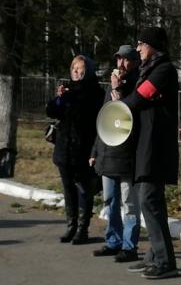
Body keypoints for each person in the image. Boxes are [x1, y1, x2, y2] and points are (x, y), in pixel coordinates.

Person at [121, 27, 179, 280]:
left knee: (149, 200)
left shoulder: (164, 70)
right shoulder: (150, 69)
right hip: (146, 144)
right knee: (151, 202)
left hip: (156, 147)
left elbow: (139, 98)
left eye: (141, 43)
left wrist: (119, 108)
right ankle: (154, 257)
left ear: (153, 45)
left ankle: (166, 261)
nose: (138, 48)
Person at [90, 45, 141, 263]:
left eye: (126, 60)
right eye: (119, 59)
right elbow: (105, 121)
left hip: (127, 154)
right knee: (110, 200)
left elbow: (127, 116)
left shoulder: (137, 85)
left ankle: (130, 246)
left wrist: (119, 91)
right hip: (107, 153)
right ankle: (113, 241)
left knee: (129, 203)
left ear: (135, 62)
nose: (121, 64)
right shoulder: (110, 89)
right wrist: (95, 150)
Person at [46, 55, 104, 244]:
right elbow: (52, 112)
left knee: (83, 188)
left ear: (88, 71)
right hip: (64, 146)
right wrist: (59, 99)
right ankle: (70, 226)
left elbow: (89, 114)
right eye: (74, 69)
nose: (77, 73)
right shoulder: (68, 90)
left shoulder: (95, 91)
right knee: (68, 188)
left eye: (80, 69)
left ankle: (82, 228)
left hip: (84, 147)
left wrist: (70, 97)